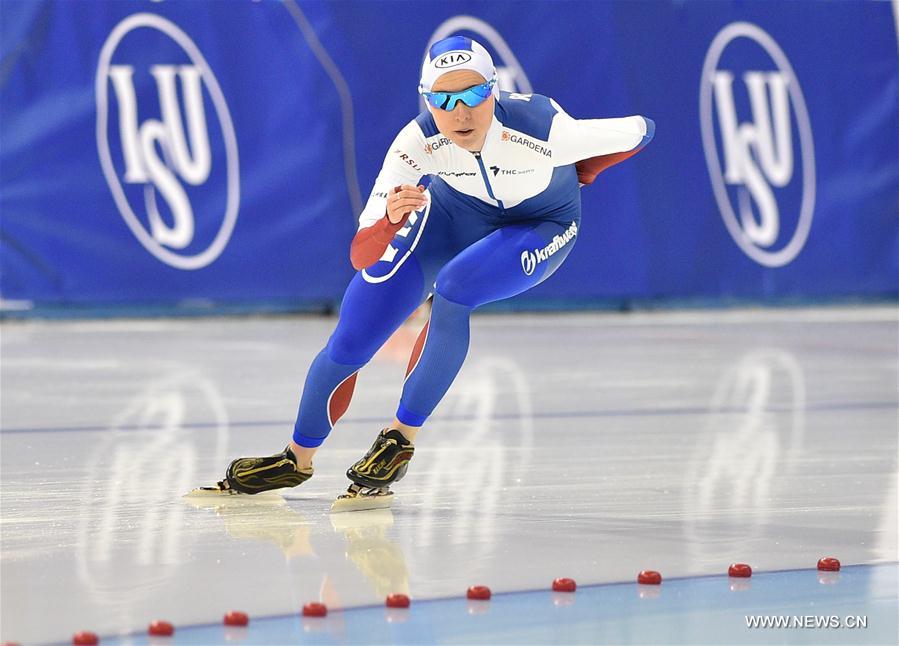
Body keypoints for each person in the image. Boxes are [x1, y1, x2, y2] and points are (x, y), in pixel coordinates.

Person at [213, 35, 654, 501]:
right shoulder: (416, 141)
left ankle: (398, 441)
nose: (460, 112)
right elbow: (362, 255)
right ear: (427, 100)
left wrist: (588, 169)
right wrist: (388, 222)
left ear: (494, 91)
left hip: (541, 221)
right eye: (444, 99)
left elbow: (642, 129)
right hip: (453, 214)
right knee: (357, 325)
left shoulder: (545, 128)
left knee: (455, 288)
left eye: (474, 95)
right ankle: (295, 458)